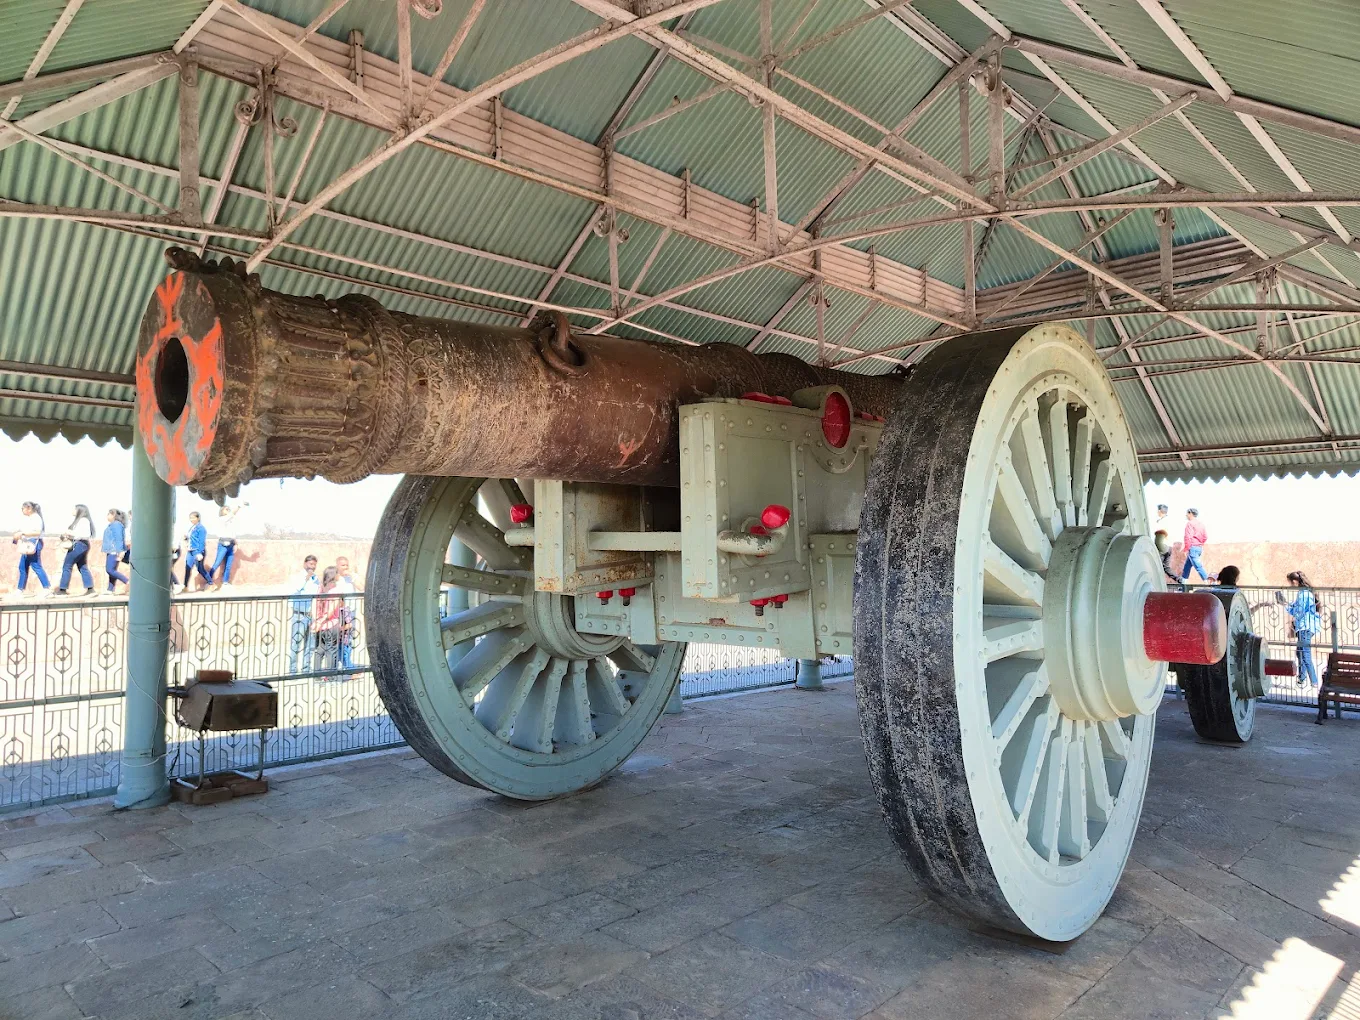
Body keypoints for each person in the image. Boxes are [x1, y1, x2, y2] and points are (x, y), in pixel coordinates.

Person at [1277, 571, 1322, 688]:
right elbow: (1297, 607)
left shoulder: (1303, 594)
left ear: (1295, 581)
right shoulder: (1306, 592)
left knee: (1305, 653)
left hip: (1304, 627)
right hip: (1307, 626)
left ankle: (1314, 680)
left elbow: (1299, 612)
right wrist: (1287, 604)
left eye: (1290, 582)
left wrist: (1285, 605)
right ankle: (1302, 678)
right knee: (1300, 651)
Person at [53, 504, 96, 597]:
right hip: (82, 545)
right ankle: (90, 589)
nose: (73, 510)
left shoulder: (83, 520)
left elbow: (84, 534)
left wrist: (68, 533)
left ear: (79, 510)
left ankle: (63, 589)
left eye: (75, 509)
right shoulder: (81, 521)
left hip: (79, 544)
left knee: (67, 566)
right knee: (82, 567)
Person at [288, 555, 320, 674]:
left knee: (310, 644)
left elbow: (316, 595)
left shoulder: (316, 579)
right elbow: (295, 589)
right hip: (299, 615)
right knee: (296, 643)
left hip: (311, 615)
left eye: (314, 565)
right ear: (305, 564)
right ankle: (292, 670)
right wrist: (305, 579)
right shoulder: (298, 577)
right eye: (310, 564)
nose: (312, 567)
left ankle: (306, 668)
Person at [12, 501, 51, 597]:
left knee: (36, 566)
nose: (22, 510)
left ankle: (47, 588)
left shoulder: (36, 518)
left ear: (29, 508)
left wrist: (22, 533)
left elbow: (37, 532)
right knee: (23, 567)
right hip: (27, 544)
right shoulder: (29, 519)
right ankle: (20, 589)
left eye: (23, 508)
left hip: (33, 543)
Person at [208, 503, 246, 589]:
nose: (228, 510)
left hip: (231, 544)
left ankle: (225, 582)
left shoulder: (231, 521)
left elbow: (233, 533)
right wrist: (239, 506)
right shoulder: (222, 519)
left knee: (228, 565)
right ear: (222, 511)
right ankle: (209, 580)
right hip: (223, 544)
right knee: (217, 563)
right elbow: (232, 513)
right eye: (226, 509)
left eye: (228, 508)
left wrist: (236, 543)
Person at [312, 566, 343, 673]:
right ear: (334, 575)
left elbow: (314, 606)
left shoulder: (320, 588)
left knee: (320, 649)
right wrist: (323, 620)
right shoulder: (336, 590)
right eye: (338, 573)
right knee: (331, 650)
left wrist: (317, 621)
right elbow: (330, 611)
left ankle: (316, 675)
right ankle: (330, 676)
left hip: (320, 625)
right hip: (331, 624)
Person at [334, 556, 359, 672]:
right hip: (340, 611)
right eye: (343, 565)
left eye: (347, 565)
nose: (345, 567)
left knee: (348, 639)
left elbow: (363, 587)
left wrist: (353, 577)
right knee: (340, 638)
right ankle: (341, 663)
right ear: (337, 566)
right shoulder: (335, 579)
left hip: (351, 611)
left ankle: (347, 663)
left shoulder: (351, 578)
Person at [178, 511, 210, 593]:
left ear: (198, 518)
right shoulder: (192, 527)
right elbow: (190, 538)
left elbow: (202, 541)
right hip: (190, 551)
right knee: (188, 568)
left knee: (200, 569)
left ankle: (211, 583)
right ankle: (185, 587)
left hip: (197, 551)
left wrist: (200, 552)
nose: (191, 519)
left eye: (193, 517)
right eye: (190, 518)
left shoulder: (201, 528)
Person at [103, 509, 129, 595]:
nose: (107, 515)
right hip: (112, 550)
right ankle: (110, 589)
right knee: (112, 570)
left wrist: (120, 551)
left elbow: (119, 539)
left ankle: (127, 581)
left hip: (114, 550)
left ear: (114, 516)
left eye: (109, 514)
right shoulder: (113, 525)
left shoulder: (116, 525)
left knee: (110, 570)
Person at [1180, 508, 1210, 582]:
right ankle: (1183, 584)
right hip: (1198, 548)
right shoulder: (1201, 524)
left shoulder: (1190, 523)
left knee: (1198, 566)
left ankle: (1209, 582)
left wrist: (1186, 548)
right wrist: (1199, 543)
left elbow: (1188, 537)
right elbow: (1205, 537)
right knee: (1187, 567)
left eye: (1187, 513)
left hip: (1192, 547)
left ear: (1190, 513)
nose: (1186, 515)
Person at [1153, 504, 1177, 584]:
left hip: (1163, 546)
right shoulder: (1169, 521)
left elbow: (1160, 536)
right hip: (1169, 547)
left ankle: (1156, 583)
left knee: (1156, 566)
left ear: (1160, 511)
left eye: (1158, 510)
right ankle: (1180, 580)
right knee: (1166, 568)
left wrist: (1158, 546)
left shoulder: (1162, 521)